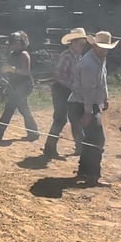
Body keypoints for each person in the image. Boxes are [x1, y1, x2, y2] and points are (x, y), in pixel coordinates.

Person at [67, 30, 119, 185]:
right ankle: (93, 176)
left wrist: (104, 98)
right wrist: (89, 112)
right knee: (97, 139)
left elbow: (102, 81)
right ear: (95, 46)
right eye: (102, 47)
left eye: (106, 48)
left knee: (91, 139)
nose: (105, 50)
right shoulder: (89, 64)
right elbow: (87, 90)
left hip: (84, 103)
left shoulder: (98, 58)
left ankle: (84, 171)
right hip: (82, 104)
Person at [43, 27, 88, 158]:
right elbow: (58, 75)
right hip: (61, 90)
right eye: (81, 43)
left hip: (70, 90)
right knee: (60, 119)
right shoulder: (67, 56)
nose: (82, 46)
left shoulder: (78, 56)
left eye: (83, 44)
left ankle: (80, 147)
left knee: (76, 118)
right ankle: (49, 149)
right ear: (73, 42)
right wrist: (72, 86)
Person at [0, 30, 39, 142]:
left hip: (25, 85)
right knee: (23, 109)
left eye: (14, 43)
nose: (11, 45)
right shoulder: (12, 55)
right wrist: (5, 73)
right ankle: (34, 132)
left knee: (10, 108)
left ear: (20, 43)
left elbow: (26, 71)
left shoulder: (24, 54)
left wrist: (12, 69)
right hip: (15, 85)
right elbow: (9, 70)